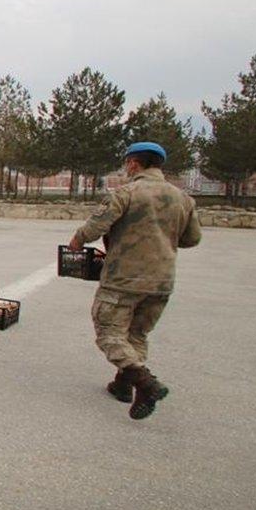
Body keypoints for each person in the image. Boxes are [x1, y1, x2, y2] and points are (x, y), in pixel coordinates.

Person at [68, 142, 200, 420]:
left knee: (108, 332)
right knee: (137, 334)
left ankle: (146, 384)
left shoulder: (126, 194)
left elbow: (96, 226)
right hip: (161, 281)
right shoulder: (183, 198)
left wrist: (78, 240)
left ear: (133, 163)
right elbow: (192, 239)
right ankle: (123, 385)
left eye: (127, 163)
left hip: (123, 278)